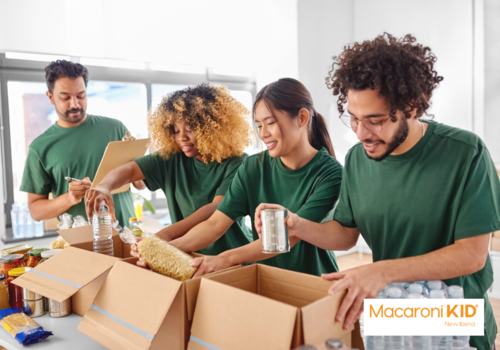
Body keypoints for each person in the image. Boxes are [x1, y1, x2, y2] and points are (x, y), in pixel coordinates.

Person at [255, 34, 498, 350]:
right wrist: (298, 225)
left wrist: (381, 271)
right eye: (353, 119)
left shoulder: (465, 153)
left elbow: (472, 254)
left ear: (411, 107)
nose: (360, 133)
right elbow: (345, 233)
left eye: (375, 120)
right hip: (393, 312)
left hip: (455, 319)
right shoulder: (358, 160)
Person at [168, 78, 343, 277]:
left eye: (270, 123)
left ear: (302, 118)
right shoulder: (253, 167)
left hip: (313, 281)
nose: (264, 134)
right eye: (259, 125)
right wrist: (166, 247)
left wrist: (226, 258)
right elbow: (215, 224)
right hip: (266, 280)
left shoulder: (330, 173)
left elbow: (287, 236)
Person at [85, 84, 253, 256]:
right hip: (187, 255)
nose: (182, 137)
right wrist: (104, 186)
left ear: (213, 128)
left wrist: (161, 238)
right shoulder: (172, 157)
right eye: (175, 130)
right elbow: (129, 170)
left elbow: (215, 209)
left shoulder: (238, 163)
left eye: (190, 129)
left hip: (232, 256)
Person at [20, 60, 144, 227]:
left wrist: (136, 170)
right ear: (50, 97)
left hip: (126, 238)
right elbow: (35, 211)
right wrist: (69, 198)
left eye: (81, 95)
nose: (75, 104)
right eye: (65, 97)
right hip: (78, 245)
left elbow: (141, 184)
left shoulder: (115, 128)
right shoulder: (40, 148)